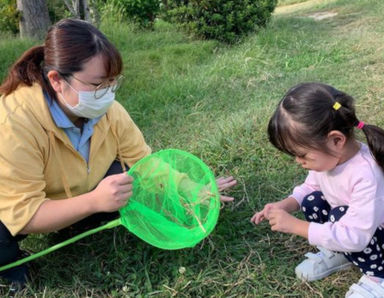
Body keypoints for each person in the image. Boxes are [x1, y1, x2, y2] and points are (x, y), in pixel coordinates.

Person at [0, 18, 237, 291]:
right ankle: (12, 265)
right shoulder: (14, 122)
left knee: (128, 180)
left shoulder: (108, 111)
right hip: (9, 207)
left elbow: (145, 164)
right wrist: (94, 201)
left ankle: (71, 221)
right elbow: (24, 213)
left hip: (69, 193)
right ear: (57, 80)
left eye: (112, 82)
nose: (108, 94)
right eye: (97, 84)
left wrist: (190, 188)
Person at [251, 82, 384, 297]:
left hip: (371, 234)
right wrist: (285, 205)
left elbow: (356, 236)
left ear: (336, 140)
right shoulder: (329, 160)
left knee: (339, 215)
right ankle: (339, 252)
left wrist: (296, 226)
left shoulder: (366, 174)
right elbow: (310, 187)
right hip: (353, 228)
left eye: (302, 155)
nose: (298, 161)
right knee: (313, 200)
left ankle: (378, 276)